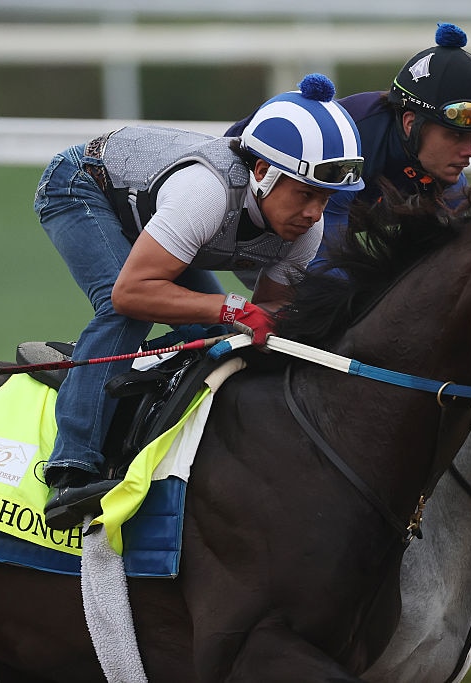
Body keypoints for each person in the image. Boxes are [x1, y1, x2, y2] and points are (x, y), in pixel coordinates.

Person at [34, 74, 364, 531]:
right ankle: (70, 469)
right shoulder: (205, 193)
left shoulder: (307, 232)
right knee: (127, 311)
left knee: (223, 337)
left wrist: (244, 319)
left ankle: (114, 380)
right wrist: (230, 307)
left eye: (326, 199)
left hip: (155, 216)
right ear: (263, 173)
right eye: (305, 194)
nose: (314, 213)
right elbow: (131, 292)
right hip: (83, 186)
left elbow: (262, 320)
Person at [226, 22, 471, 268]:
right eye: (455, 136)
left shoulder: (447, 177)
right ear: (410, 123)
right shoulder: (353, 147)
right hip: (229, 205)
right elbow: (323, 266)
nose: (470, 151)